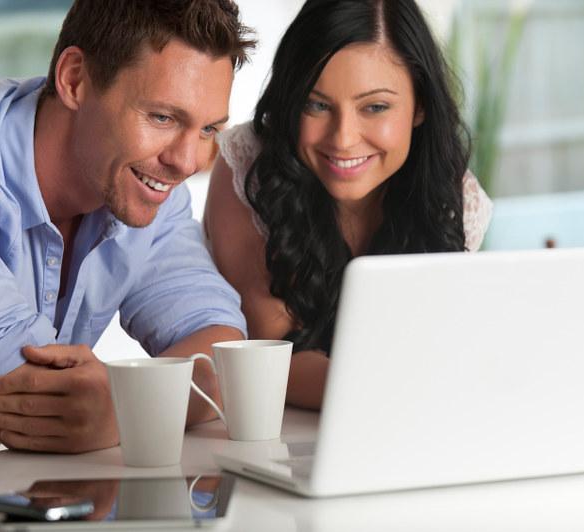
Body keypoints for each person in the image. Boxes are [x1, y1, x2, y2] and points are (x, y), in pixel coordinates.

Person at [0, 0, 256, 465]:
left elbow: (223, 353)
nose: (186, 162)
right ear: (75, 79)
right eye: (162, 117)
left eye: (207, 130)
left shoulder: (145, 183)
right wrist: (146, 402)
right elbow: (29, 403)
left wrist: (118, 410)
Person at [205, 0, 493, 410]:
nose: (343, 138)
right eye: (317, 105)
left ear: (421, 106)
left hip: (396, 434)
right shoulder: (248, 165)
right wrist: (413, 387)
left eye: (374, 107)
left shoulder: (455, 199)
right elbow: (273, 362)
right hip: (275, 437)